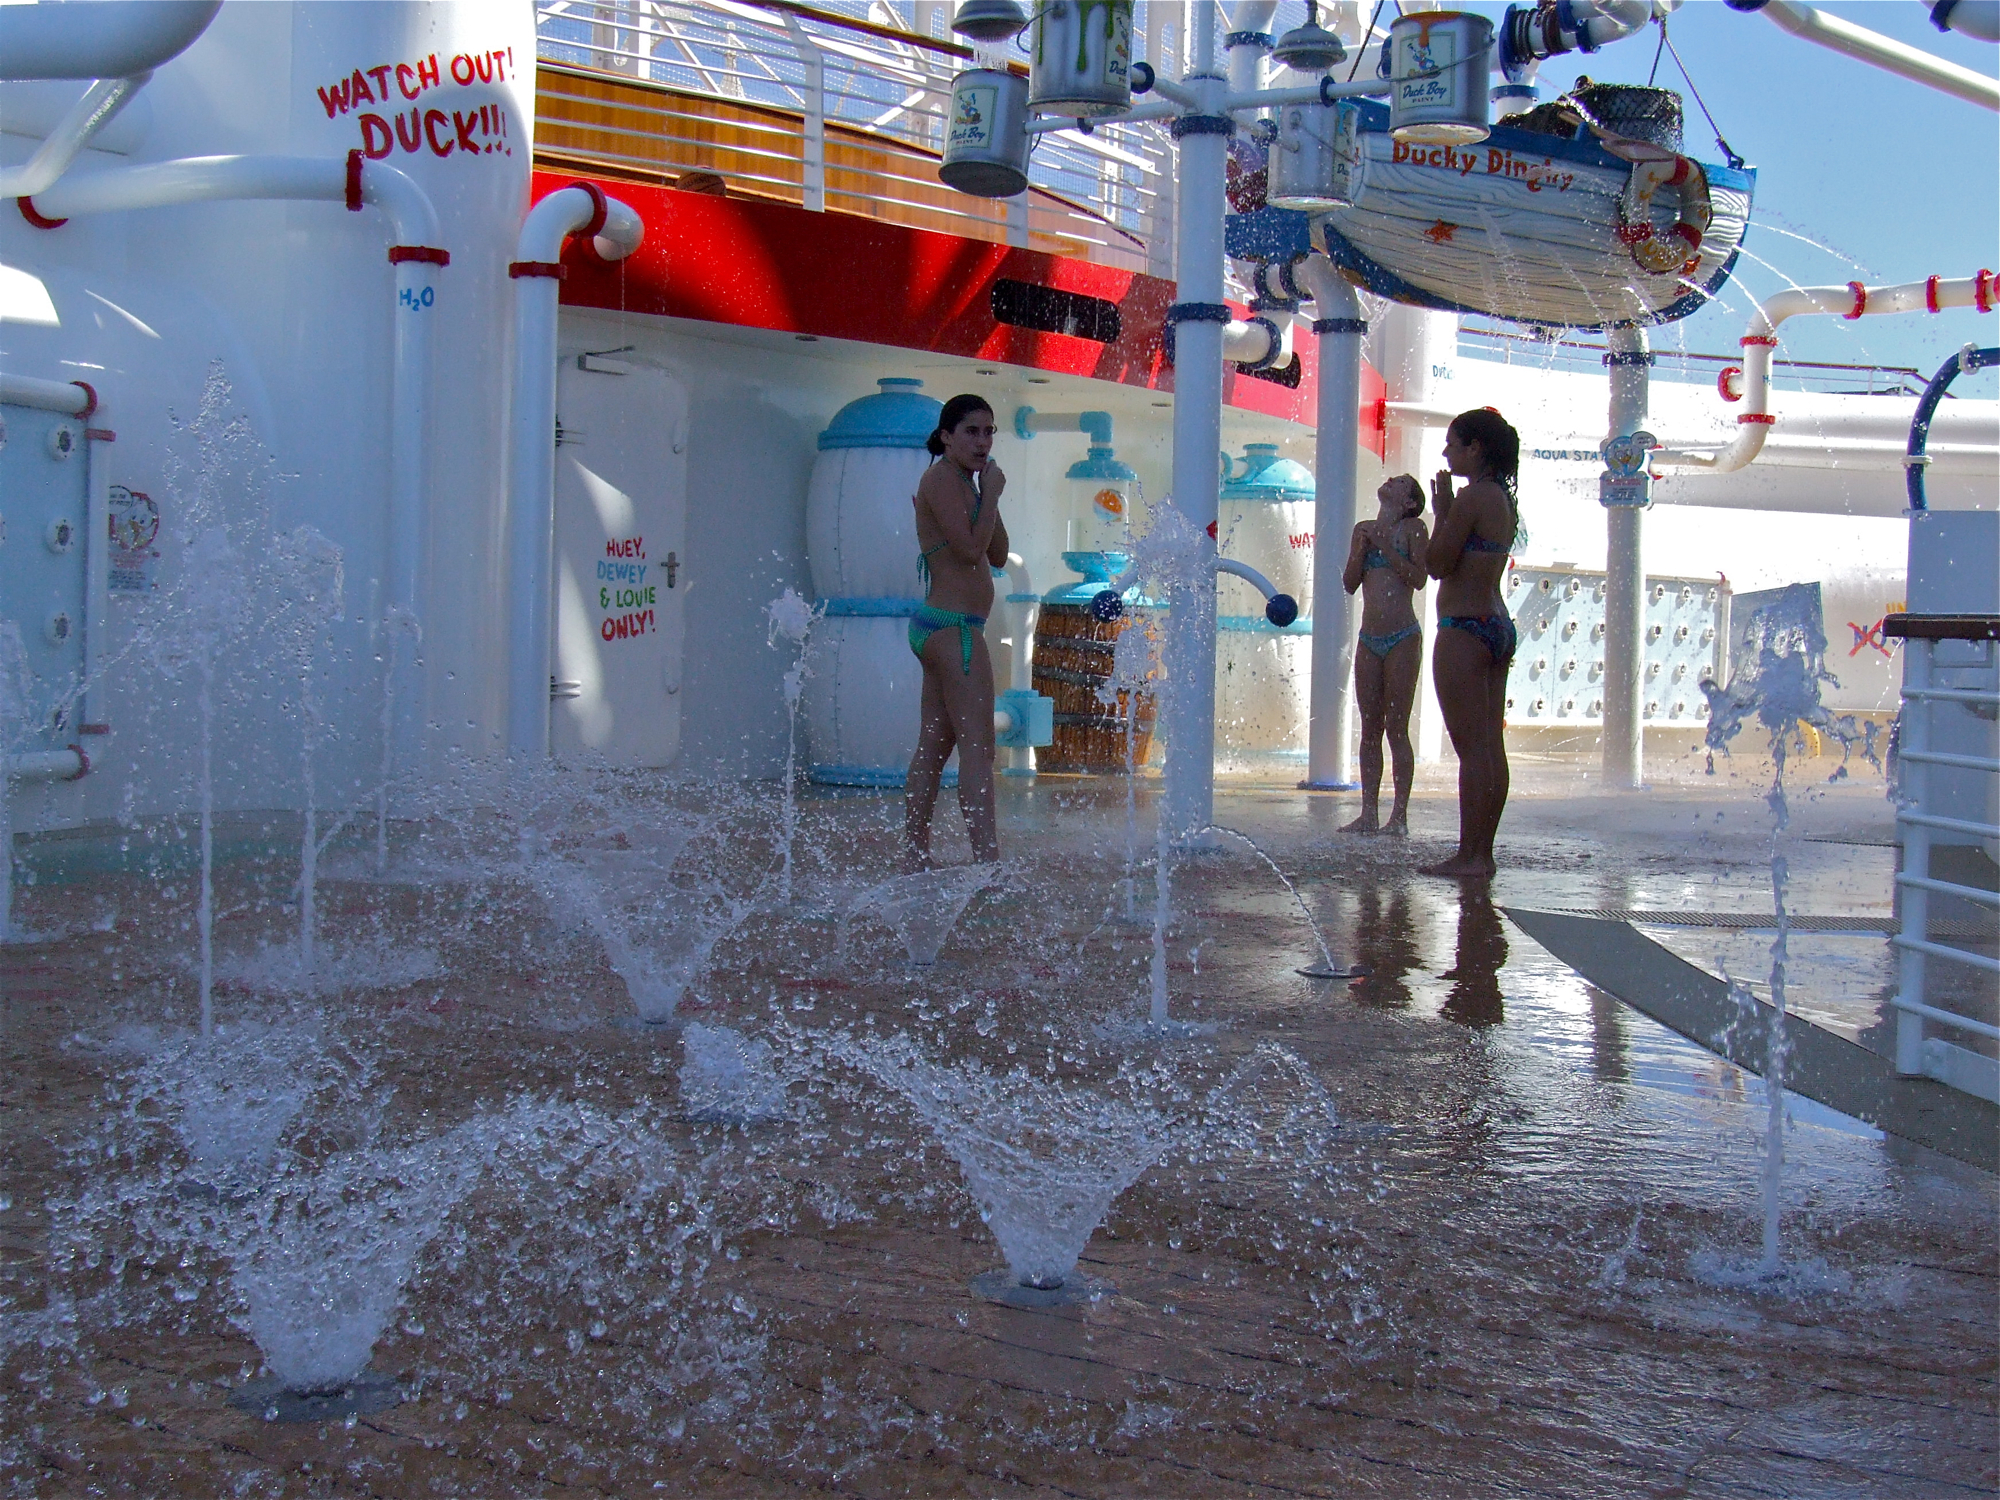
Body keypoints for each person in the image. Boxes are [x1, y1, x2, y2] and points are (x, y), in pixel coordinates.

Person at [905, 394, 1009, 869]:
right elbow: (970, 552)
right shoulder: (940, 480)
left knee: (935, 744)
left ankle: (915, 856)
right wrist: (989, 494)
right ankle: (987, 866)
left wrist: (988, 492)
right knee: (979, 749)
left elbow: (999, 553)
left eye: (989, 432)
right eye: (971, 431)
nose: (983, 441)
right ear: (946, 436)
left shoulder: (967, 482)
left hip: (944, 630)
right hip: (956, 633)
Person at [1421, 407, 1521, 880]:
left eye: (1453, 444)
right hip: (1496, 623)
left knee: (1471, 751)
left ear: (1475, 449)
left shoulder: (1472, 498)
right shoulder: (1501, 497)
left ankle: (1471, 855)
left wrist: (1441, 513)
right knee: (1489, 748)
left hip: (1464, 628)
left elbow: (1436, 564)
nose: (1446, 452)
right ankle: (1484, 852)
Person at [1340, 474, 1429, 836]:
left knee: (1397, 727)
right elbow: (1349, 583)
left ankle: (1400, 817)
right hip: (1369, 637)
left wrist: (1386, 547)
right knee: (1370, 728)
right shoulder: (1363, 528)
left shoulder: (1414, 529)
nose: (1391, 479)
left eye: (1401, 482)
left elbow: (1419, 577)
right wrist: (1363, 548)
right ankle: (1368, 813)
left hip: (1402, 637)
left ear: (1409, 501)